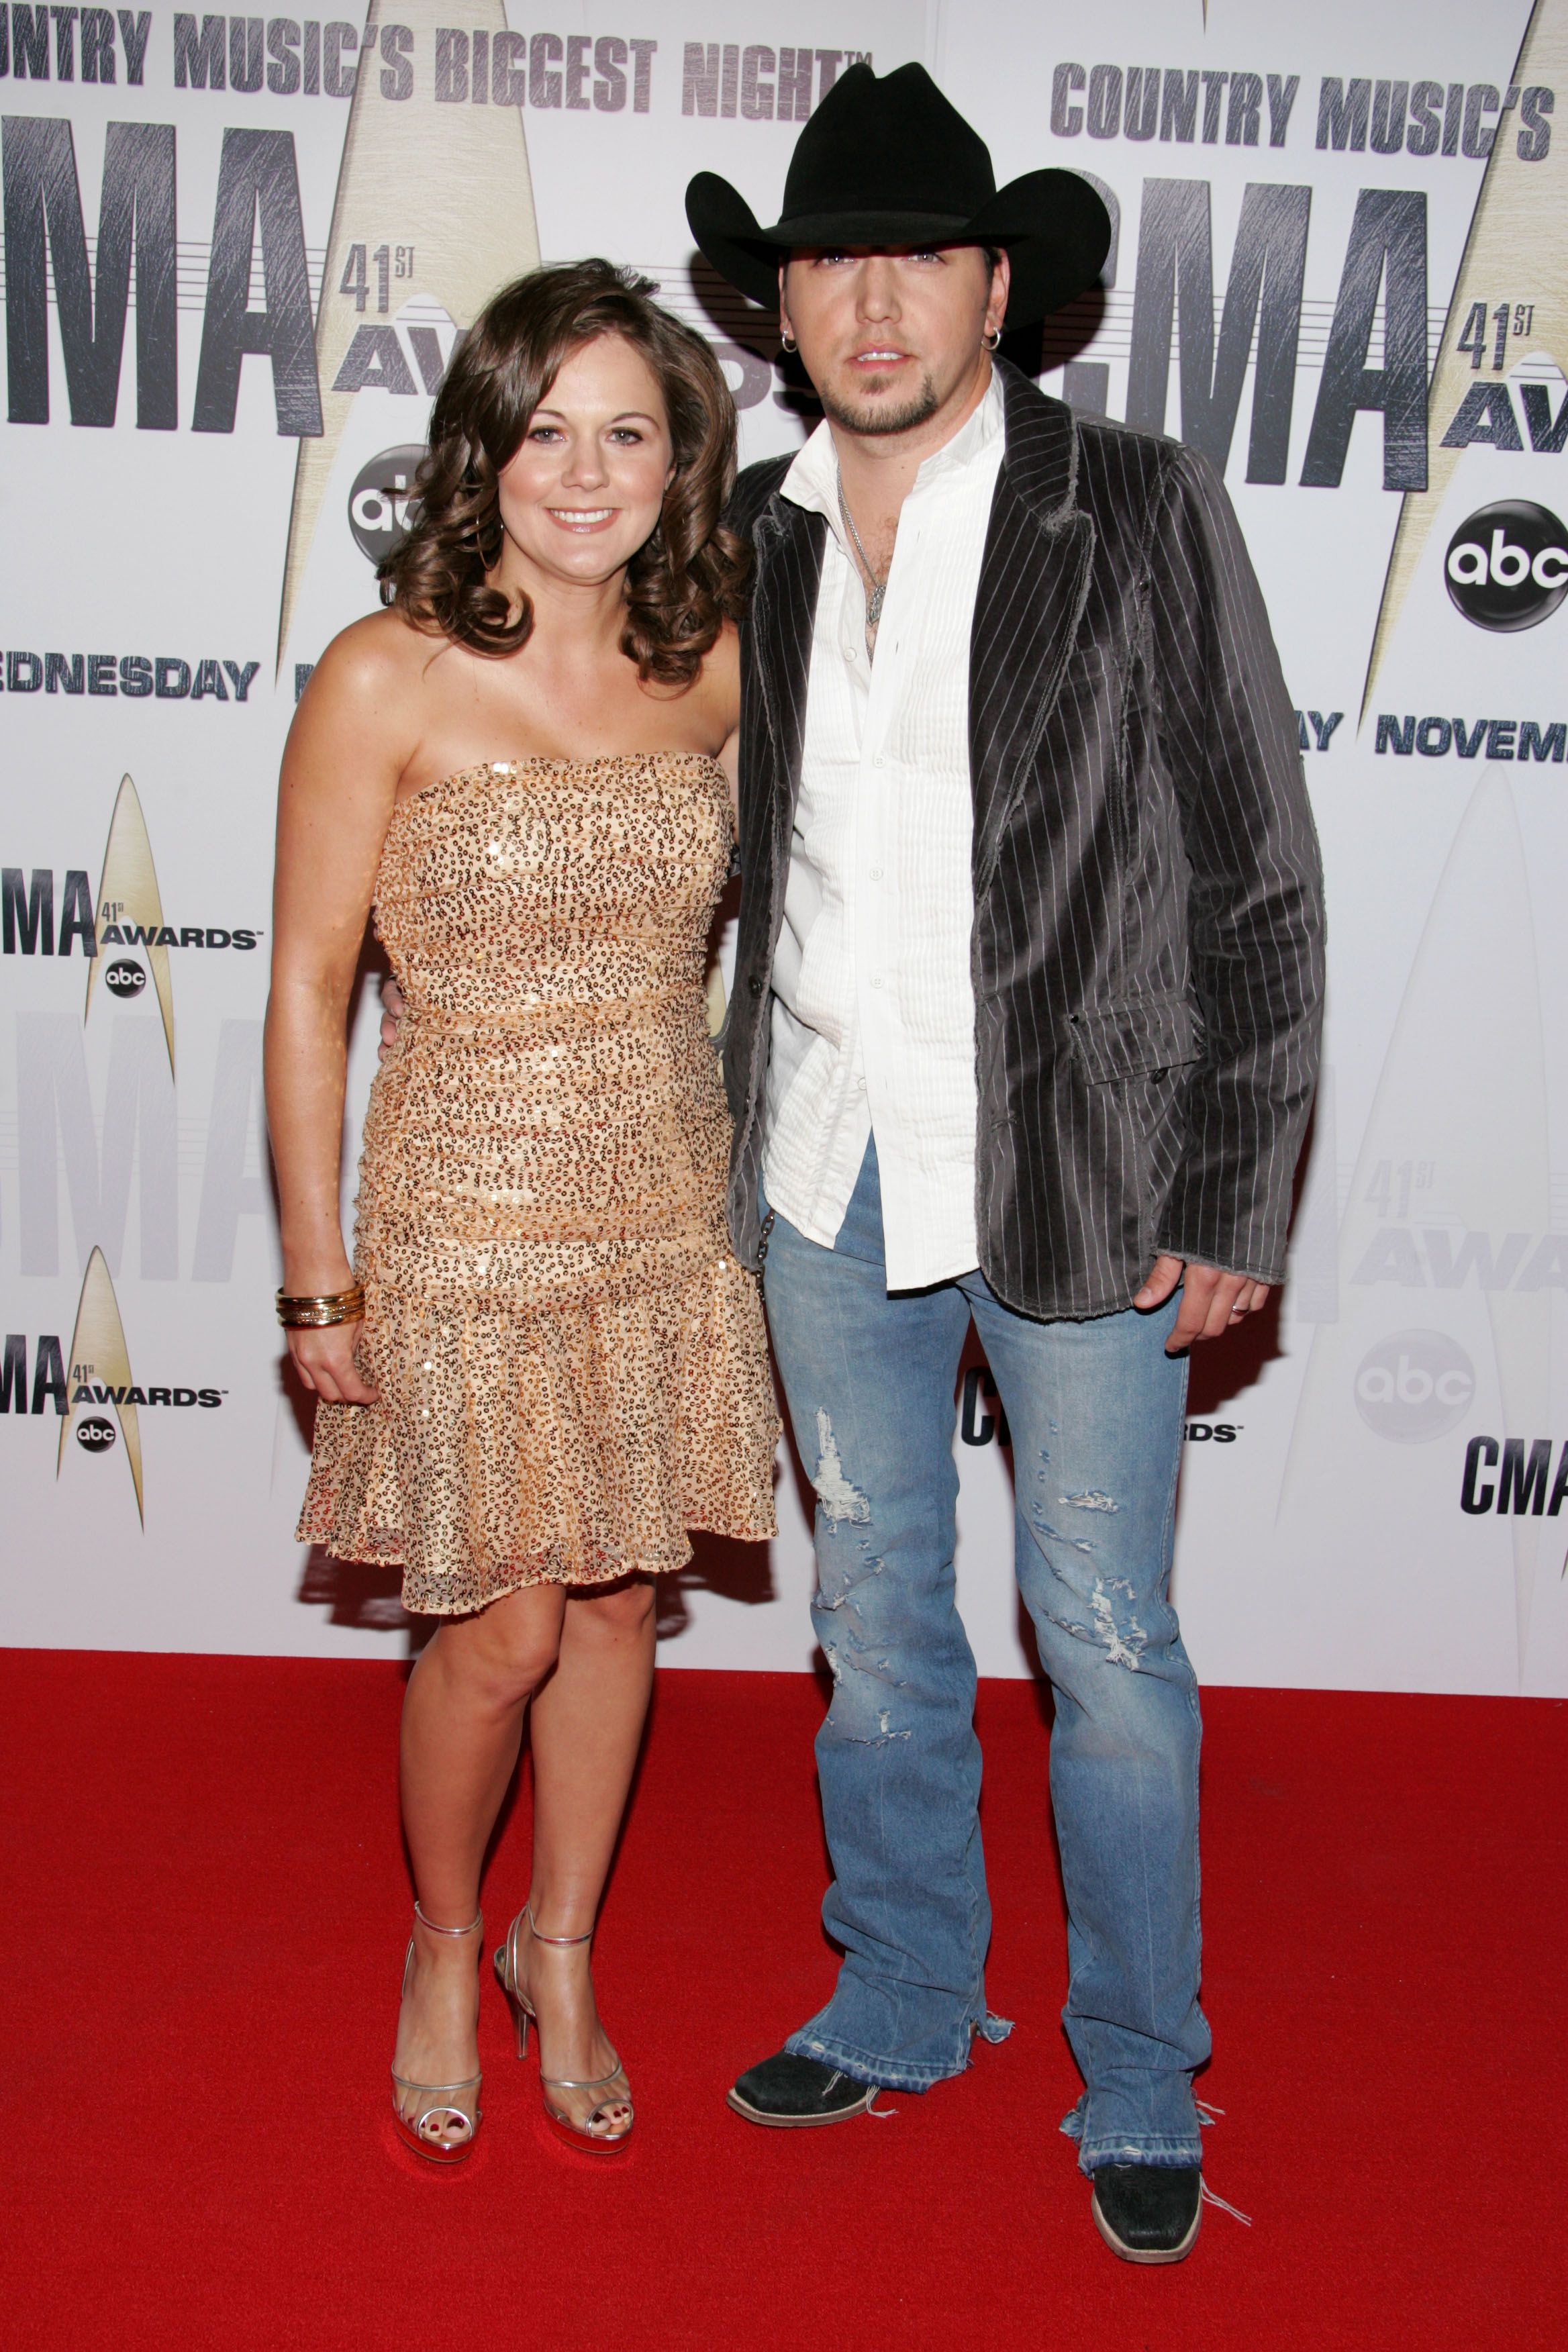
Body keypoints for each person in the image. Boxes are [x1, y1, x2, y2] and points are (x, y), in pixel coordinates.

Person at [684, 63, 1325, 2263]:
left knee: (1106, 1633)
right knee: (872, 1612)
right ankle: (905, 1991)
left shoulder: (1132, 501)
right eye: (832, 261)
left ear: (996, 288)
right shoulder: (747, 535)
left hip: (1078, 1168)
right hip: (824, 1165)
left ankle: (1142, 2071)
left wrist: (1235, 1190)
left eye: (919, 260)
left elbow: (1255, 871)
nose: (874, 301)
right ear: (782, 305)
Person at [264, 259, 778, 2167]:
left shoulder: (717, 663)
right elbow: (311, 985)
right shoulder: (383, 673)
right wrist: (321, 1275)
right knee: (497, 1626)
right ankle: (446, 1933)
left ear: (680, 461)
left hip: (658, 1194)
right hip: (461, 1213)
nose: (588, 471)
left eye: (629, 431)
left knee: (629, 1604)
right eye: (549, 427)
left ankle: (564, 1950)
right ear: (483, 446)